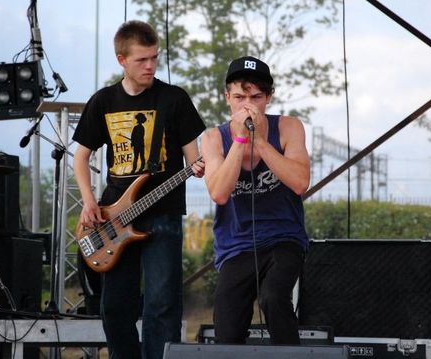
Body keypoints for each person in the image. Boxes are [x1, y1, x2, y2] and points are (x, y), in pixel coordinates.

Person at [72, 20, 205, 359]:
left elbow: (195, 160)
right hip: (113, 218)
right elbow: (81, 157)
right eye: (141, 59)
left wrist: (202, 165)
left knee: (162, 302)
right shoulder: (103, 101)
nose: (150, 66)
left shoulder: (174, 99)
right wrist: (88, 202)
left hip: (164, 215)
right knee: (115, 305)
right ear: (122, 60)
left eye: (154, 58)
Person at [201, 56, 310, 345]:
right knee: (227, 321)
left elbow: (300, 182)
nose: (247, 106)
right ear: (227, 98)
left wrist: (260, 140)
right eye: (239, 97)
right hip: (237, 244)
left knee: (273, 297)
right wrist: (240, 141)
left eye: (256, 97)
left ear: (269, 97)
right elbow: (219, 193)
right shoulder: (213, 138)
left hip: (283, 237)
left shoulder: (288, 127)